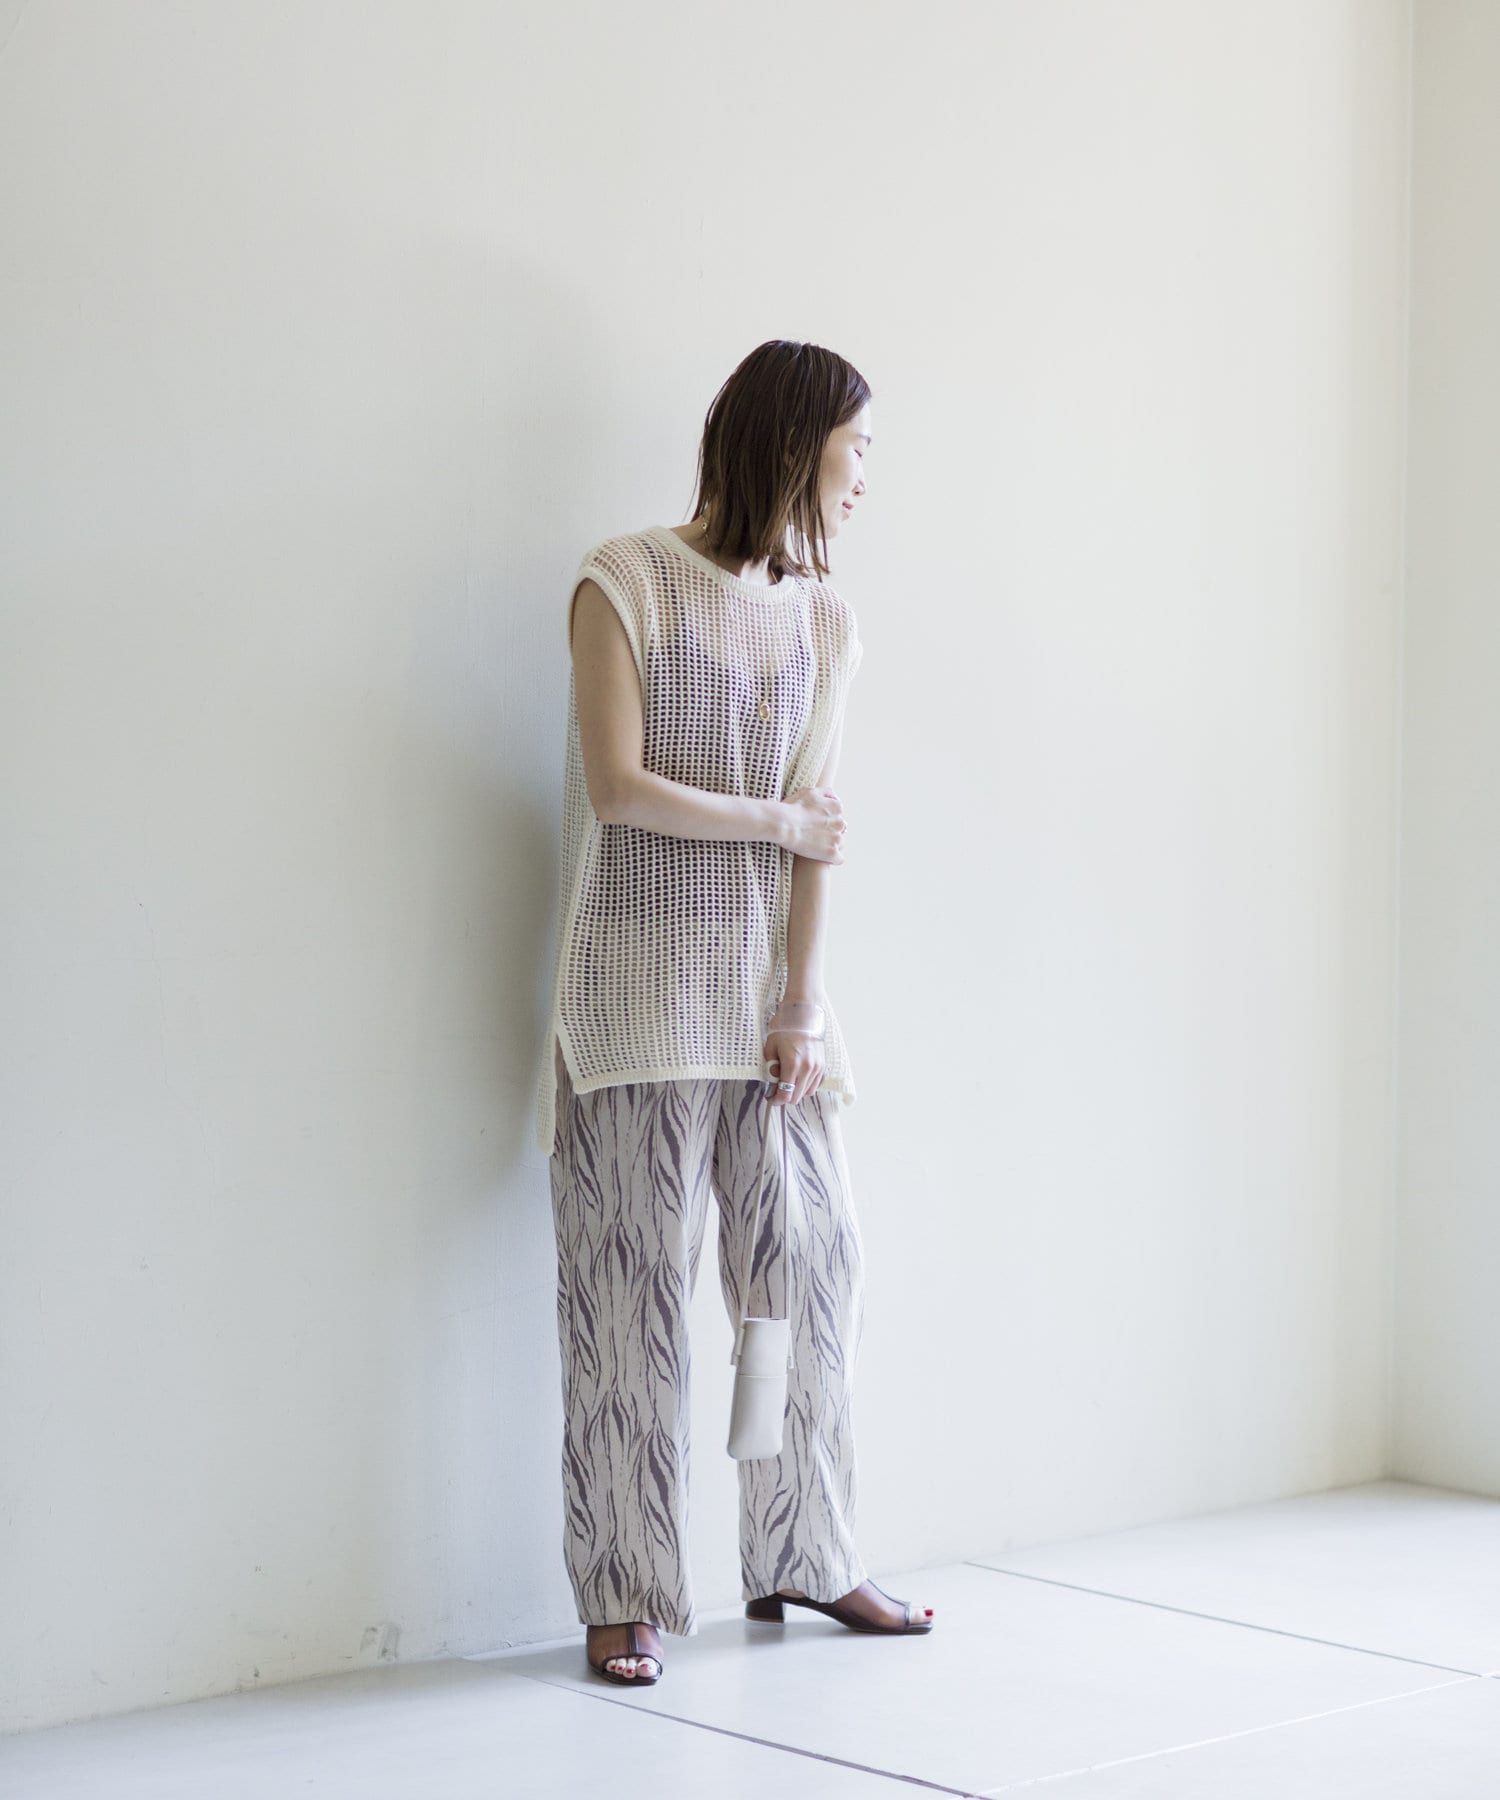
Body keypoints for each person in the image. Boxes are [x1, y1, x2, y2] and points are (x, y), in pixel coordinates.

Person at [533, 339, 935, 1686]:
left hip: (767, 1013)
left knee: (810, 1276)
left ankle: (804, 1552)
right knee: (629, 1300)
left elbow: (824, 834)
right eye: (858, 446)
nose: (866, 475)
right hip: (629, 1006)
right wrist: (776, 822)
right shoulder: (625, 578)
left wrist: (803, 1007)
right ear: (798, 439)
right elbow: (618, 788)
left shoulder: (826, 623)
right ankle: (627, 1590)